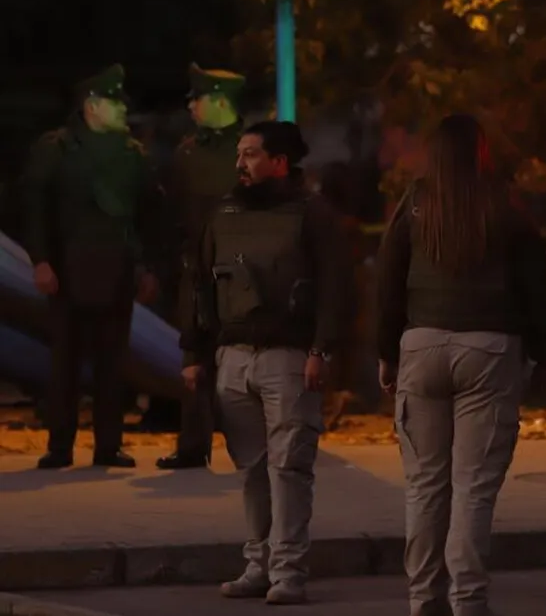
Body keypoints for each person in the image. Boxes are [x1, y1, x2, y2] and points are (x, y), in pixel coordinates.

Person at [375, 113, 546, 616]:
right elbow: (535, 288)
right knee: (474, 487)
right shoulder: (505, 205)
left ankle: (423, 599)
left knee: (426, 485)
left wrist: (387, 352)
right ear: (481, 152)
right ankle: (468, 600)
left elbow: (389, 281)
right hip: (490, 349)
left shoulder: (415, 202)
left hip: (422, 344)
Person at [178, 120, 355, 605]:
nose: (241, 163)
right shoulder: (224, 212)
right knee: (252, 469)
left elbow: (335, 288)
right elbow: (200, 284)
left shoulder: (312, 214)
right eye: (240, 154)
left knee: (290, 469)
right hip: (233, 357)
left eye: (252, 154)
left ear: (280, 162)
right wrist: (194, 353)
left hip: (289, 358)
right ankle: (258, 565)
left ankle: (289, 572)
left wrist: (321, 351)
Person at [22, 63, 162, 470]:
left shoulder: (132, 154)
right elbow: (34, 208)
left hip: (117, 272)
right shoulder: (56, 149)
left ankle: (108, 446)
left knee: (111, 363)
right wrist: (40, 260)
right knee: (64, 363)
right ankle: (60, 445)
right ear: (92, 107)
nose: (123, 110)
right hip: (66, 272)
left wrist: (148, 267)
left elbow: (148, 214)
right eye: (115, 103)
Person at [155, 62, 247, 471]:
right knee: (194, 356)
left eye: (199, 97)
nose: (191, 104)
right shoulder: (186, 153)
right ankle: (193, 446)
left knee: (244, 359)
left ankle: (248, 444)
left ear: (221, 102)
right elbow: (172, 212)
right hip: (196, 269)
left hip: (243, 271)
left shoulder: (250, 149)